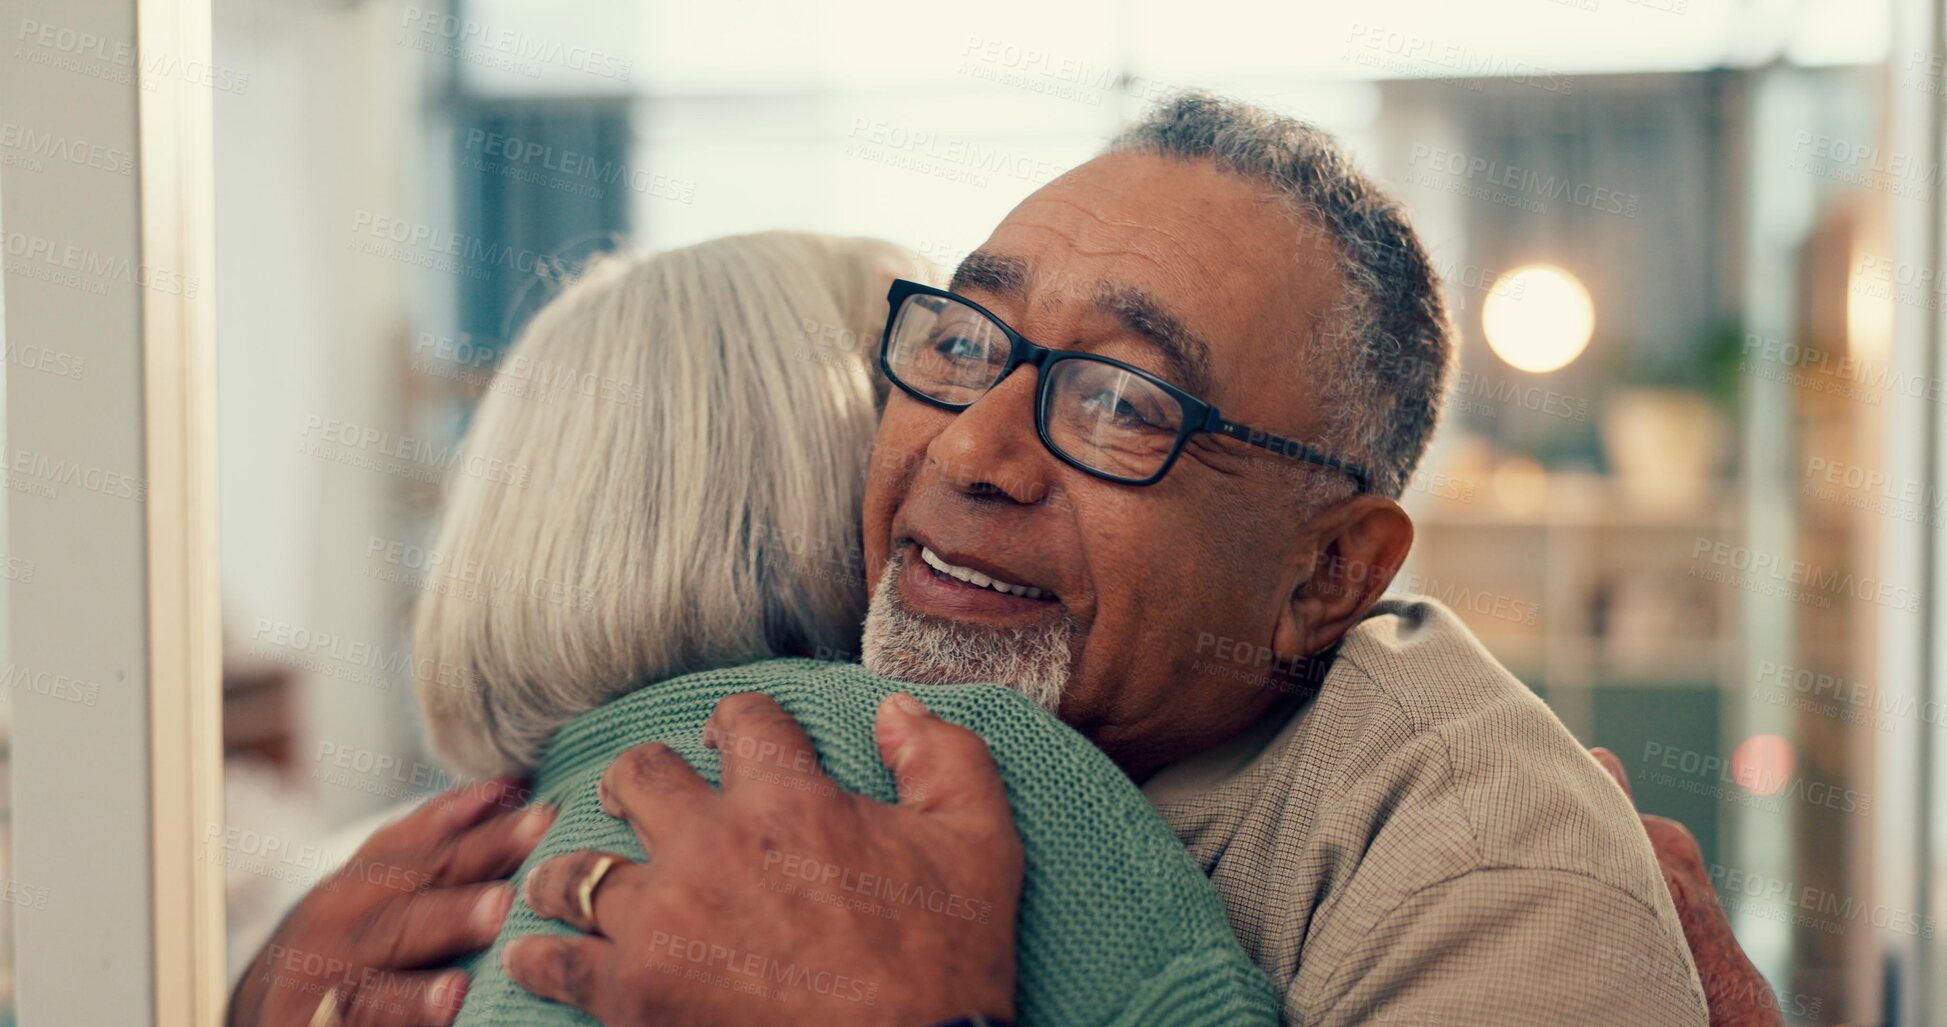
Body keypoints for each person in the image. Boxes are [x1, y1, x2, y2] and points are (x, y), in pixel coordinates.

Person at [230, 94, 1782, 1027]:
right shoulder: (820, 718)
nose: (971, 449)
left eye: (1121, 399)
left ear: (1325, 571)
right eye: (963, 343)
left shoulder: (1468, 869)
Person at [235, 232, 1282, 1026]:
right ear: (837, 464)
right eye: (937, 377)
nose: (968, 450)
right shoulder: (971, 768)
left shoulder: (416, 903)